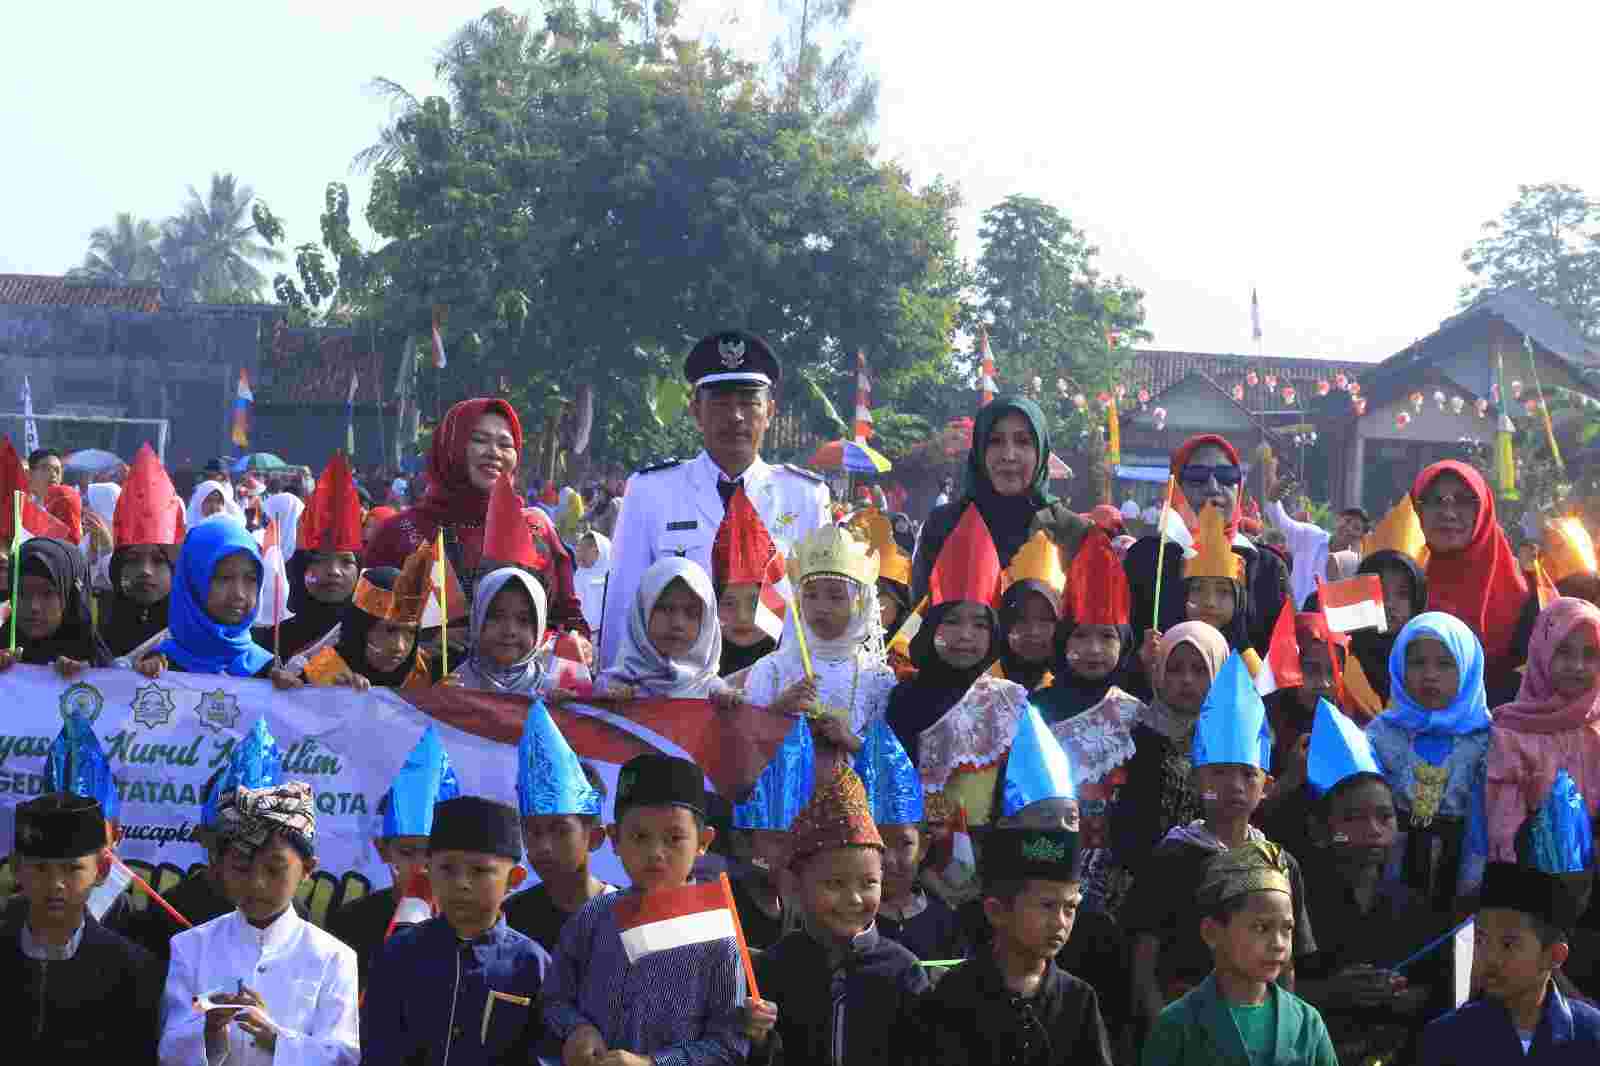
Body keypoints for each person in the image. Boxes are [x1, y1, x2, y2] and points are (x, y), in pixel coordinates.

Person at [601, 331, 830, 668]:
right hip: (674, 691)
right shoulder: (650, 492)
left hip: (774, 693)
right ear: (696, 410)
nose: (735, 416)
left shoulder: (805, 496)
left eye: (749, 402)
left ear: (769, 411)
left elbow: (819, 611)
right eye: (721, 402)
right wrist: (615, 690)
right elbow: (623, 603)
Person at [1124, 654, 1317, 1038]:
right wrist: (1162, 1028)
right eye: (1220, 773)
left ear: (1267, 786)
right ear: (1196, 780)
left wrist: (1278, 1036)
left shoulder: (1280, 864)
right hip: (1185, 1026)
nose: (1234, 786)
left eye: (1247, 774)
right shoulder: (1171, 857)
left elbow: (1288, 964)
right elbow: (1145, 958)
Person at [544, 754, 749, 1064]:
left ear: (703, 841)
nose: (655, 853)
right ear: (614, 839)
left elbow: (729, 1046)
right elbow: (553, 998)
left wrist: (652, 1063)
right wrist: (577, 1029)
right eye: (639, 837)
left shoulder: (718, 936)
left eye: (674, 838)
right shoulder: (594, 916)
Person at [159, 781, 360, 1066]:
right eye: (241, 868)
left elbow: (344, 1057)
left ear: (307, 869)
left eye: (274, 869)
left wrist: (277, 1040)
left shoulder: (333, 957)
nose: (257, 883)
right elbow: (169, 1051)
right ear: (220, 867)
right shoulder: (191, 946)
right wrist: (209, 1029)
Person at [910, 793, 1115, 1065]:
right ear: (997, 911)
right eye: (1046, 905)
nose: (1060, 922)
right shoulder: (956, 993)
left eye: (1070, 908)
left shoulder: (1078, 1000)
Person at [1291, 701, 1444, 1064]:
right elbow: (1258, 991)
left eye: (1385, 817)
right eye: (1354, 818)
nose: (1373, 831)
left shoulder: (1412, 902)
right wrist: (1331, 992)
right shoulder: (1295, 903)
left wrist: (1401, 997)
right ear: (1319, 831)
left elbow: (1438, 989)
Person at [747, 766, 928, 1065]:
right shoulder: (774, 968)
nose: (854, 898)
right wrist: (757, 1038)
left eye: (868, 883)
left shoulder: (902, 971)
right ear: (797, 886)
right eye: (835, 884)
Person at [364, 397, 586, 633]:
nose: (494, 452)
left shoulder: (537, 528)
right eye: (479, 440)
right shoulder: (399, 532)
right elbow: (365, 627)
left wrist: (569, 643)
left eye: (505, 444)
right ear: (450, 447)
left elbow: (567, 621)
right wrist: (424, 645)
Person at [363, 795, 549, 1066]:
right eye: (448, 869)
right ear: (429, 872)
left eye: (479, 871)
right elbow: (378, 1053)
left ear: (514, 879)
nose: (462, 883)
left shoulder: (533, 965)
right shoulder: (396, 955)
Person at [886, 504, 1028, 834]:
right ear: (931, 626)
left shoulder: (1008, 701)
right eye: (951, 621)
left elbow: (1021, 797)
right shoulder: (904, 698)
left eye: (979, 624)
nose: (965, 635)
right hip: (912, 859)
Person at [1139, 841, 1339, 1065]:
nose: (1278, 943)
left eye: (1287, 928)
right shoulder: (1177, 1024)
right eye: (1261, 927)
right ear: (1212, 932)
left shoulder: (1306, 1022)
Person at [6, 793, 163, 1065]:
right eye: (41, 868)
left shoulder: (135, 971)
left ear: (101, 869)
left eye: (72, 869)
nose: (56, 883)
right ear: (16, 868)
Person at [125, 718, 293, 959]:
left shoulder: (287, 910)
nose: (245, 857)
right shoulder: (170, 909)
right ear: (203, 838)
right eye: (227, 842)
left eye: (257, 842)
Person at [1042, 528, 1144, 916]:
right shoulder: (1038, 709)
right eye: (1081, 636)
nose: (1094, 650)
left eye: (1106, 637)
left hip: (1117, 875)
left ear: (1125, 642)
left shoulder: (1136, 713)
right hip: (1049, 863)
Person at [744, 523, 894, 783]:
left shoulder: (877, 677)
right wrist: (779, 710)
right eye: (811, 595)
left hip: (854, 811)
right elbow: (743, 749)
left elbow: (891, 765)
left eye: (836, 597)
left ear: (859, 602)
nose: (821, 607)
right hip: (785, 809)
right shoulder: (772, 669)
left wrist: (849, 740)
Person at [1365, 611, 1492, 911]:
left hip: (1460, 872)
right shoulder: (1380, 735)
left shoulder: (1487, 739)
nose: (1430, 674)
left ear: (1468, 668)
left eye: (1445, 663)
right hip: (1390, 871)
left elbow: (1485, 819)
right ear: (1398, 666)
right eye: (1417, 662)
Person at [1124, 434, 1292, 659]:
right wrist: (1141, 663)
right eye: (1198, 477)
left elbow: (1284, 662)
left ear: (1239, 487)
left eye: (1226, 477)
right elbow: (1119, 649)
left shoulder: (1267, 567)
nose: (1213, 487)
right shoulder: (1146, 559)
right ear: (1177, 488)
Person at [1418, 861, 1600, 1063]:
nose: (1490, 958)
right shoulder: (1445, 1037)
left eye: (1508, 944)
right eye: (1480, 940)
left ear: (1554, 955)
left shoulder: (1591, 1034)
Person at [913, 397, 1086, 604]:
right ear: (979, 450)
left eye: (1023, 441)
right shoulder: (944, 525)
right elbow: (919, 617)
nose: (1009, 455)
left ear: (1040, 451)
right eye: (995, 441)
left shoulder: (1072, 532)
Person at [327, 725, 459, 986]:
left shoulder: (469, 922)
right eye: (408, 853)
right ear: (383, 850)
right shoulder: (351, 923)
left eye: (433, 852)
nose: (422, 866)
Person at [1485, 596, 1600, 866]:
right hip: (1531, 885)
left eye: (1590, 654)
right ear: (1541, 652)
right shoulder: (1511, 733)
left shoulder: (1595, 727)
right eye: (1564, 651)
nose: (1578, 666)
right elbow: (1502, 834)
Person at [1412, 459, 1536, 704]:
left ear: (1484, 510)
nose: (1448, 514)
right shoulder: (1398, 585)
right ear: (1418, 510)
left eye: (1463, 500)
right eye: (1435, 501)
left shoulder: (1531, 596)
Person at [503, 703, 616, 955]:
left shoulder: (624, 914)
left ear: (595, 837)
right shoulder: (509, 920)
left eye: (560, 831)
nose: (543, 846)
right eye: (532, 831)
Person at [855, 718, 968, 963]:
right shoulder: (851, 920)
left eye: (905, 844)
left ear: (924, 847)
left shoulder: (943, 919)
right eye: (878, 845)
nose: (891, 860)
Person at [136, 518, 282, 681]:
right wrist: (145, 674)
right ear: (193, 581)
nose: (239, 594)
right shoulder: (160, 663)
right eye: (224, 578)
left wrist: (290, 692)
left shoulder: (267, 668)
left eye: (251, 579)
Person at [256, 453, 363, 663]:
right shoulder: (267, 641)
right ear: (301, 567)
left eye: (346, 561)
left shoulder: (373, 641)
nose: (333, 571)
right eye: (320, 560)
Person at [596, 557, 739, 702]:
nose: (678, 623)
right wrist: (610, 696)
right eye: (665, 609)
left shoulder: (715, 691)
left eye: (691, 613)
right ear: (641, 613)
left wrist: (727, 701)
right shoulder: (615, 683)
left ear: (707, 624)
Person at [300, 559, 439, 690]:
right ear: (360, 629)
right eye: (390, 630)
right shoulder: (323, 671)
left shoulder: (425, 670)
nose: (399, 647)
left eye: (411, 632)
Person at [103, 444, 183, 660]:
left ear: (175, 569)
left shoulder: (191, 643)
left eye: (158, 561)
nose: (145, 571)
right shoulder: (92, 639)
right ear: (117, 568)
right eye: (133, 560)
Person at [0, 537, 111, 674]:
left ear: (71, 596)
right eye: (22, 593)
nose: (34, 607)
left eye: (48, 593)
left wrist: (85, 678)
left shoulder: (102, 666)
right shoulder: (3, 650)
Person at [1265, 471, 1371, 611]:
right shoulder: (1310, 536)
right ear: (1338, 521)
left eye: (1356, 528)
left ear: (1361, 537)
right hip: (1290, 618)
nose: (1348, 528)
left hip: (1325, 629)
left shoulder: (1355, 566)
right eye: (1347, 521)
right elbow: (1281, 522)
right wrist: (1273, 499)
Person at [711, 485, 784, 677]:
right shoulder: (694, 678)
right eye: (728, 603)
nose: (742, 617)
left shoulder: (794, 677)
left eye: (754, 604)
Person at [997, 531, 1068, 692]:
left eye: (1045, 620)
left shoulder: (1077, 691)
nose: (1033, 632)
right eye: (1021, 619)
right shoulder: (979, 688)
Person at [574, 529, 612, 637]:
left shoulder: (608, 580)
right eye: (579, 548)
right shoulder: (579, 575)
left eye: (586, 548)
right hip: (578, 633)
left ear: (599, 552)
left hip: (601, 635)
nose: (580, 552)